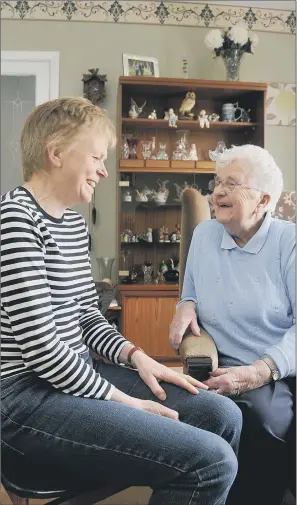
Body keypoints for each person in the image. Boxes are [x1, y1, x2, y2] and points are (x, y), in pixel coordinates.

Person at [1, 97, 242, 505]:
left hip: (73, 378)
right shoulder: (15, 219)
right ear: (56, 153)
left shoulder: (74, 226)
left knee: (223, 415)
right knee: (211, 461)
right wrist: (126, 402)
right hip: (25, 399)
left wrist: (138, 357)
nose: (103, 169)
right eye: (96, 156)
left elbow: (87, 319)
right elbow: (42, 351)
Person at [169, 144, 295, 505]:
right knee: (225, 417)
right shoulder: (205, 235)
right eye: (217, 182)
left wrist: (260, 370)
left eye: (232, 184)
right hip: (221, 364)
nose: (218, 192)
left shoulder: (289, 242)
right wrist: (186, 305)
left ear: (263, 199)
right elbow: (190, 290)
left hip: (276, 367)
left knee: (264, 420)